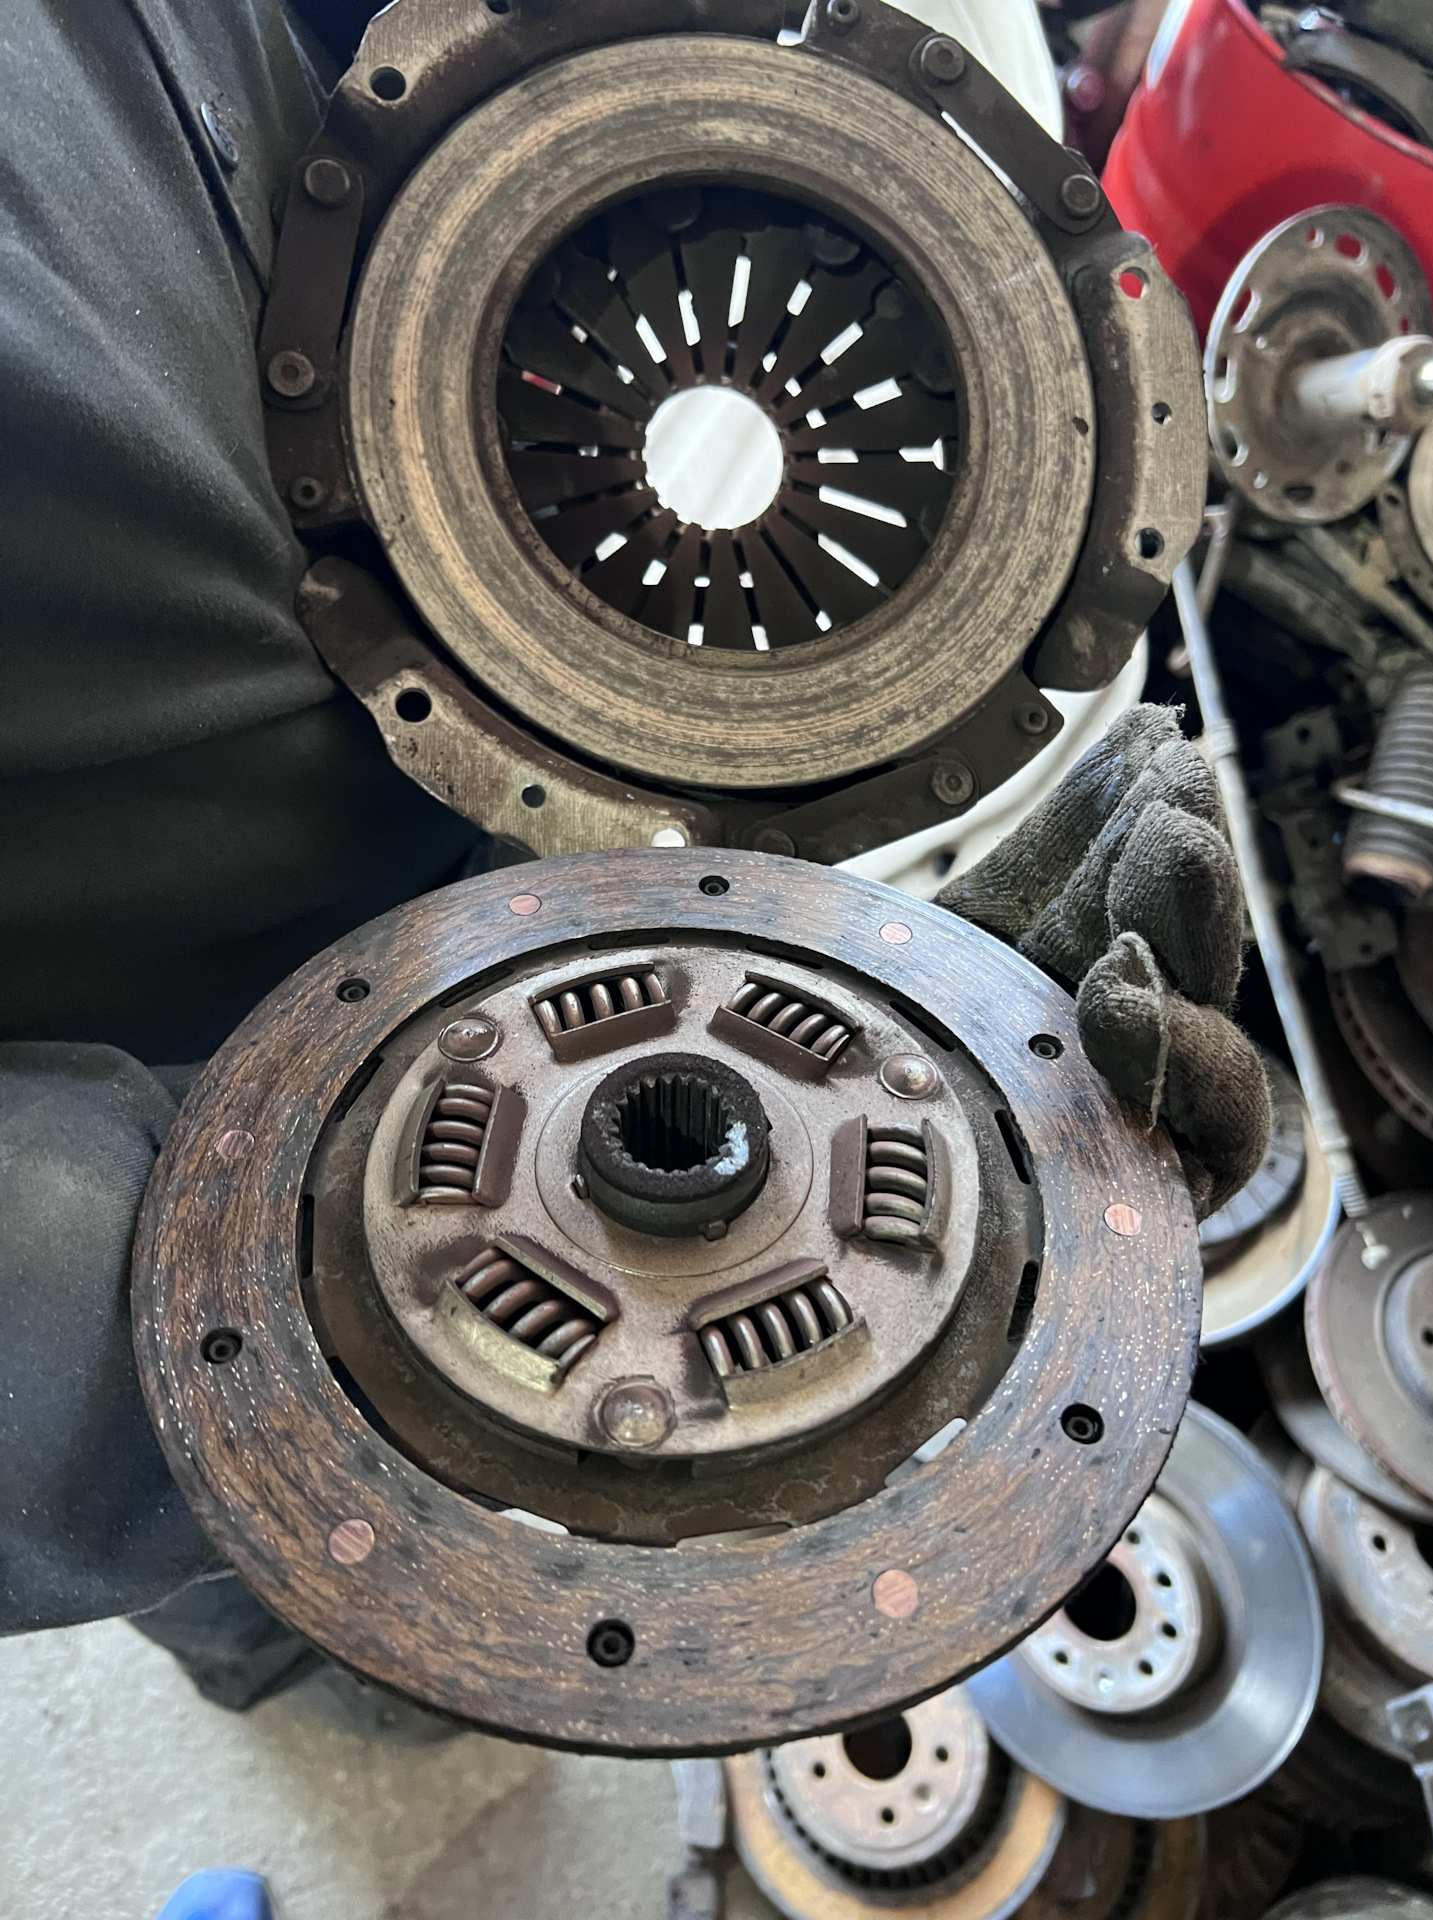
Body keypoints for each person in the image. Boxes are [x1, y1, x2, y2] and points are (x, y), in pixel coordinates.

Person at [0, 0, 1265, 1664]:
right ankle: (304, 1652)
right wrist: (286, 1293)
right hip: (167, 1062)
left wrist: (866, 1064)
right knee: (319, 1561)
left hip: (494, 796)